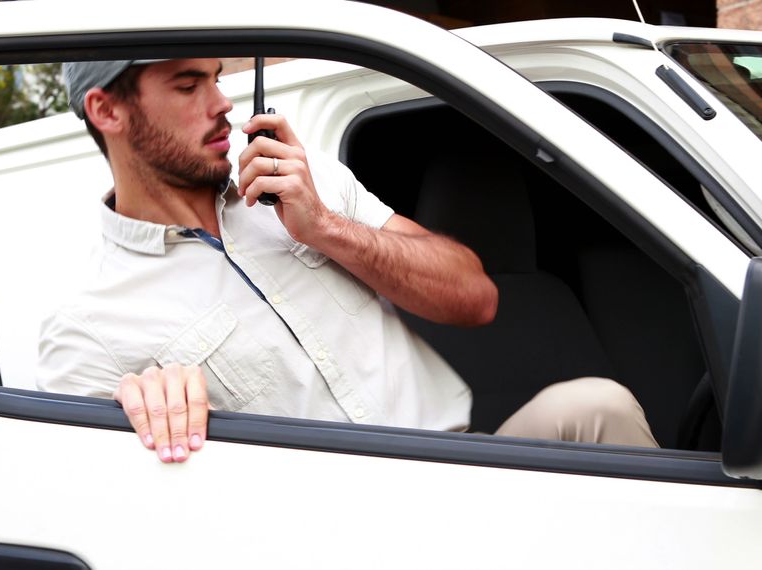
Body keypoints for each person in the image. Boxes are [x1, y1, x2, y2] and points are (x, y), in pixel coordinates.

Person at [37, 57, 657, 463]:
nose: (221, 101)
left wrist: (328, 229)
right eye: (187, 84)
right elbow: (100, 505)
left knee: (596, 406)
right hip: (338, 537)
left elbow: (476, 297)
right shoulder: (90, 327)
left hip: (468, 469)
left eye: (218, 76)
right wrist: (144, 414)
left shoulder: (303, 181)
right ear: (107, 111)